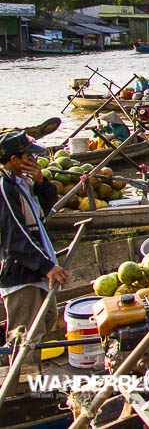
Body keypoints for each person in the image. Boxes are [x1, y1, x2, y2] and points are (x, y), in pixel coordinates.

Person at [0, 131, 66, 375]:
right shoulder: (5, 187)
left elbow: (45, 212)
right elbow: (14, 237)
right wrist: (46, 266)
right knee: (25, 336)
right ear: (15, 159)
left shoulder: (24, 183)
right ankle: (23, 386)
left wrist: (41, 181)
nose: (34, 161)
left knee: (48, 319)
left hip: (36, 265)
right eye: (29, 157)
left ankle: (29, 372)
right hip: (22, 271)